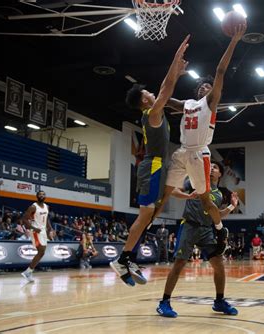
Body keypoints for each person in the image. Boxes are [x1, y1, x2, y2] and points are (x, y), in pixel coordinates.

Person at [109, 35, 190, 286]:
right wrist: (174, 63)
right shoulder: (152, 113)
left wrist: (177, 73)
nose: (153, 93)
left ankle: (127, 257)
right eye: (149, 92)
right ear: (145, 100)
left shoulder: (156, 112)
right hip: (152, 166)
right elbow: (166, 89)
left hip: (156, 166)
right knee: (145, 216)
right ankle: (122, 259)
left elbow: (167, 90)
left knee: (149, 216)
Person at [162, 23, 247, 250]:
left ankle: (220, 231)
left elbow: (220, 71)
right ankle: (148, 224)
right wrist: (156, 97)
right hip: (183, 151)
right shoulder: (188, 104)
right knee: (166, 192)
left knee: (206, 200)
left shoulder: (211, 103)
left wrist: (234, 41)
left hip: (201, 151)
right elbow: (166, 98)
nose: (204, 88)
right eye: (202, 86)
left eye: (208, 87)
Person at [157, 162, 239, 318]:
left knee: (219, 265)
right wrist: (186, 196)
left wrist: (231, 207)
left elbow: (216, 214)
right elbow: (173, 190)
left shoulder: (219, 195)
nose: (212, 168)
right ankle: (164, 302)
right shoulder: (194, 181)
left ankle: (219, 301)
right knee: (179, 263)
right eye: (211, 166)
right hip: (189, 226)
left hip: (206, 230)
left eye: (215, 167)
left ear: (220, 174)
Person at [21, 191, 52, 283]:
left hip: (43, 230)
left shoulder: (47, 207)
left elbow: (46, 219)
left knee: (42, 252)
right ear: (37, 196)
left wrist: (49, 229)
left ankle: (28, 271)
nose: (42, 195)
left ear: (45, 196)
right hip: (35, 230)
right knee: (41, 251)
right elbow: (24, 219)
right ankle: (28, 272)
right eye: (40, 194)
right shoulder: (33, 207)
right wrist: (33, 228)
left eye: (43, 194)